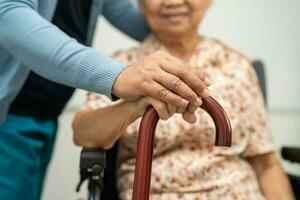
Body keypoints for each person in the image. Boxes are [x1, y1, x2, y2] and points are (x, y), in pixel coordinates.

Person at [73, 0, 295, 199]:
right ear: (140, 5)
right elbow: (83, 134)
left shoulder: (237, 66)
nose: (173, 2)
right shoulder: (122, 67)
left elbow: (266, 165)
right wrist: (134, 106)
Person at [0, 0, 211, 199]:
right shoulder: (126, 60)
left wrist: (185, 38)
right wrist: (120, 75)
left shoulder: (234, 65)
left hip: (43, 115)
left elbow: (135, 15)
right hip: (9, 115)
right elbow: (8, 12)